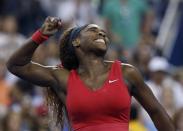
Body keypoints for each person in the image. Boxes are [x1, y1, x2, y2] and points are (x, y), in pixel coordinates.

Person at [7, 17, 175, 131]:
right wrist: (41, 35)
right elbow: (15, 65)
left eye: (102, 32)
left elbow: (156, 111)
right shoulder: (63, 78)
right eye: (93, 30)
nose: (101, 33)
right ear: (76, 42)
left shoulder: (126, 72)